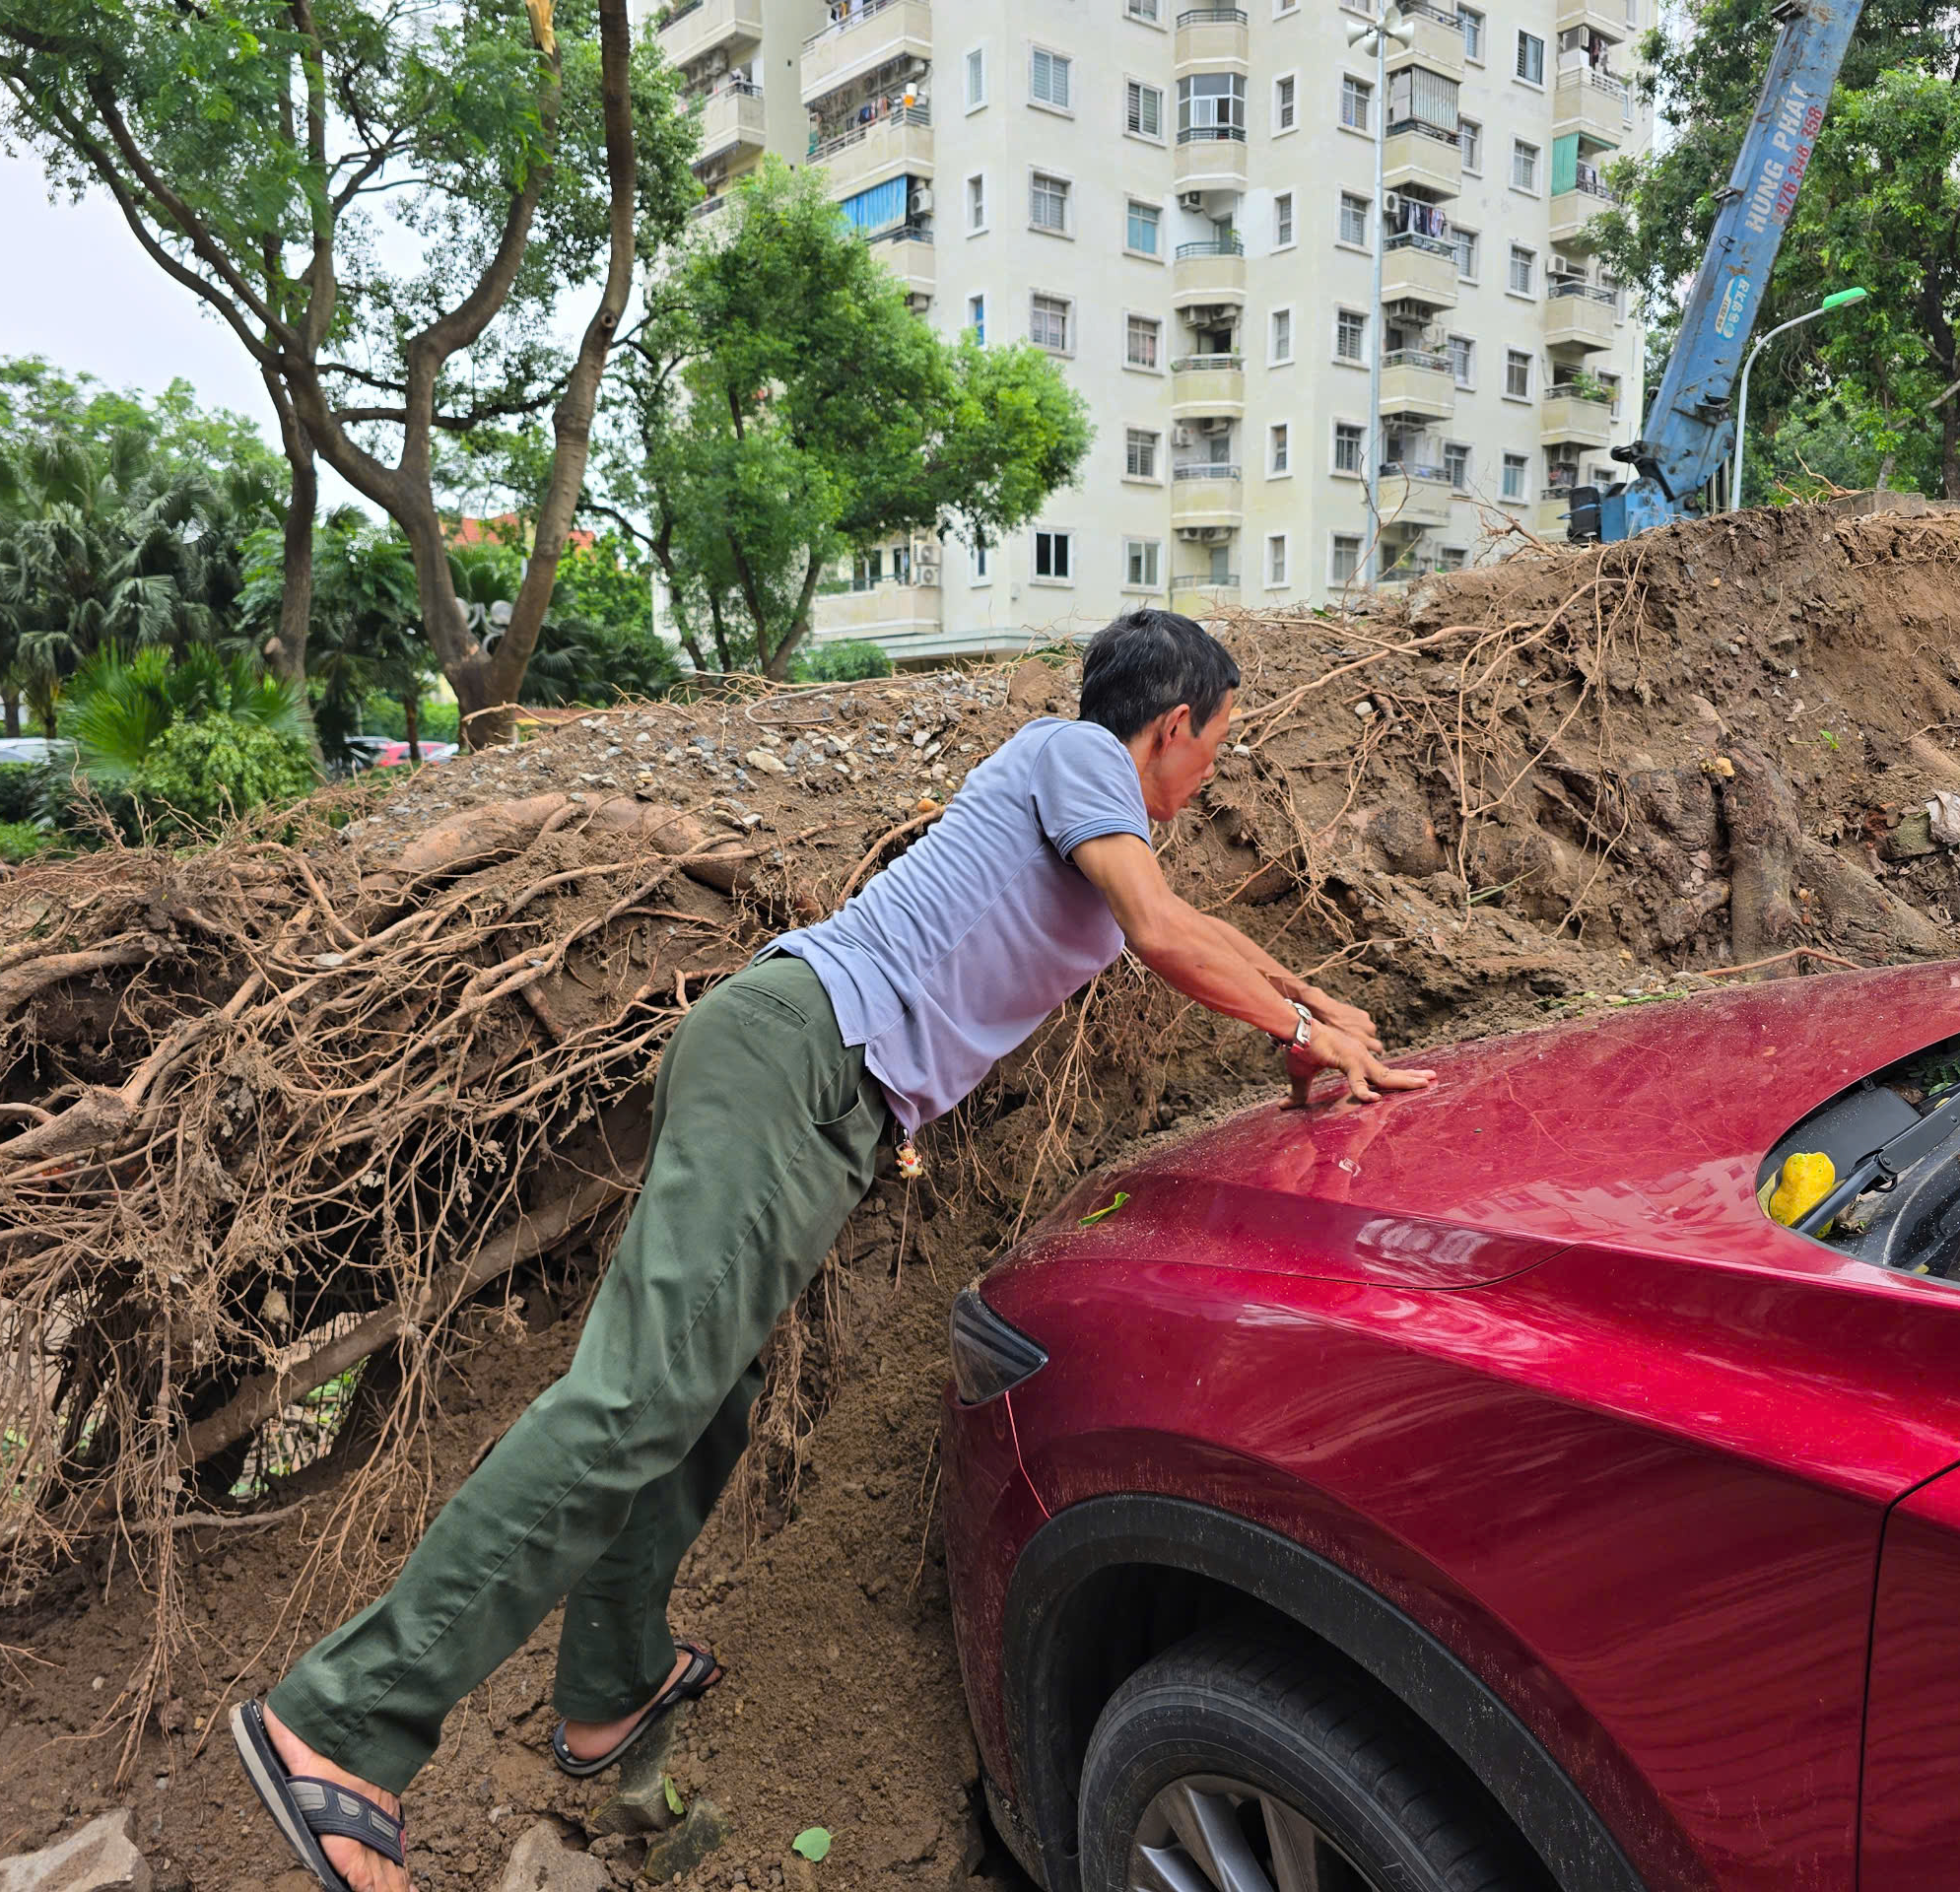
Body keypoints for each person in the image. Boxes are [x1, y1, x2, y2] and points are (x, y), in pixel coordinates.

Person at [231, 609, 1437, 1892]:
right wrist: (1301, 1021)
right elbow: (1161, 929)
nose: (1212, 778)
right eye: (1217, 748)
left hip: (814, 1087)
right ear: (1174, 724)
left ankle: (610, 1689)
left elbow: (1192, 926)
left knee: (701, 1403)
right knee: (631, 1402)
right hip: (800, 1058)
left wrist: (1324, 1013)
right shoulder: (1082, 753)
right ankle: (342, 1724)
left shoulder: (1108, 823)